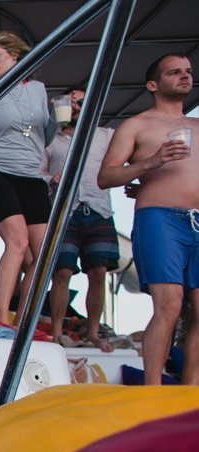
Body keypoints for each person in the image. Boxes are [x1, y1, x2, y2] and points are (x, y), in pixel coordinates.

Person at [98, 53, 198, 385]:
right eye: (175, 72)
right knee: (169, 304)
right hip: (160, 219)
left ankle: (190, 390)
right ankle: (152, 389)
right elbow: (106, 176)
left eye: (187, 71)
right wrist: (151, 163)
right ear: (153, 85)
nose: (185, 76)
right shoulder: (136, 124)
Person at [0, 30, 56, 327]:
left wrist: (58, 117)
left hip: (31, 174)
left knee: (43, 254)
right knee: (17, 243)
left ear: (14, 56)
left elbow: (46, 135)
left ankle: (23, 319)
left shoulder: (39, 90)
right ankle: (1, 316)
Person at [44, 87, 120, 352]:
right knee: (61, 272)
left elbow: (132, 156)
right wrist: (48, 179)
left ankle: (94, 332)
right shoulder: (51, 140)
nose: (76, 106)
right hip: (64, 211)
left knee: (98, 272)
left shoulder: (107, 136)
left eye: (81, 101)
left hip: (99, 208)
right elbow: (38, 170)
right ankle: (56, 332)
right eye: (71, 102)